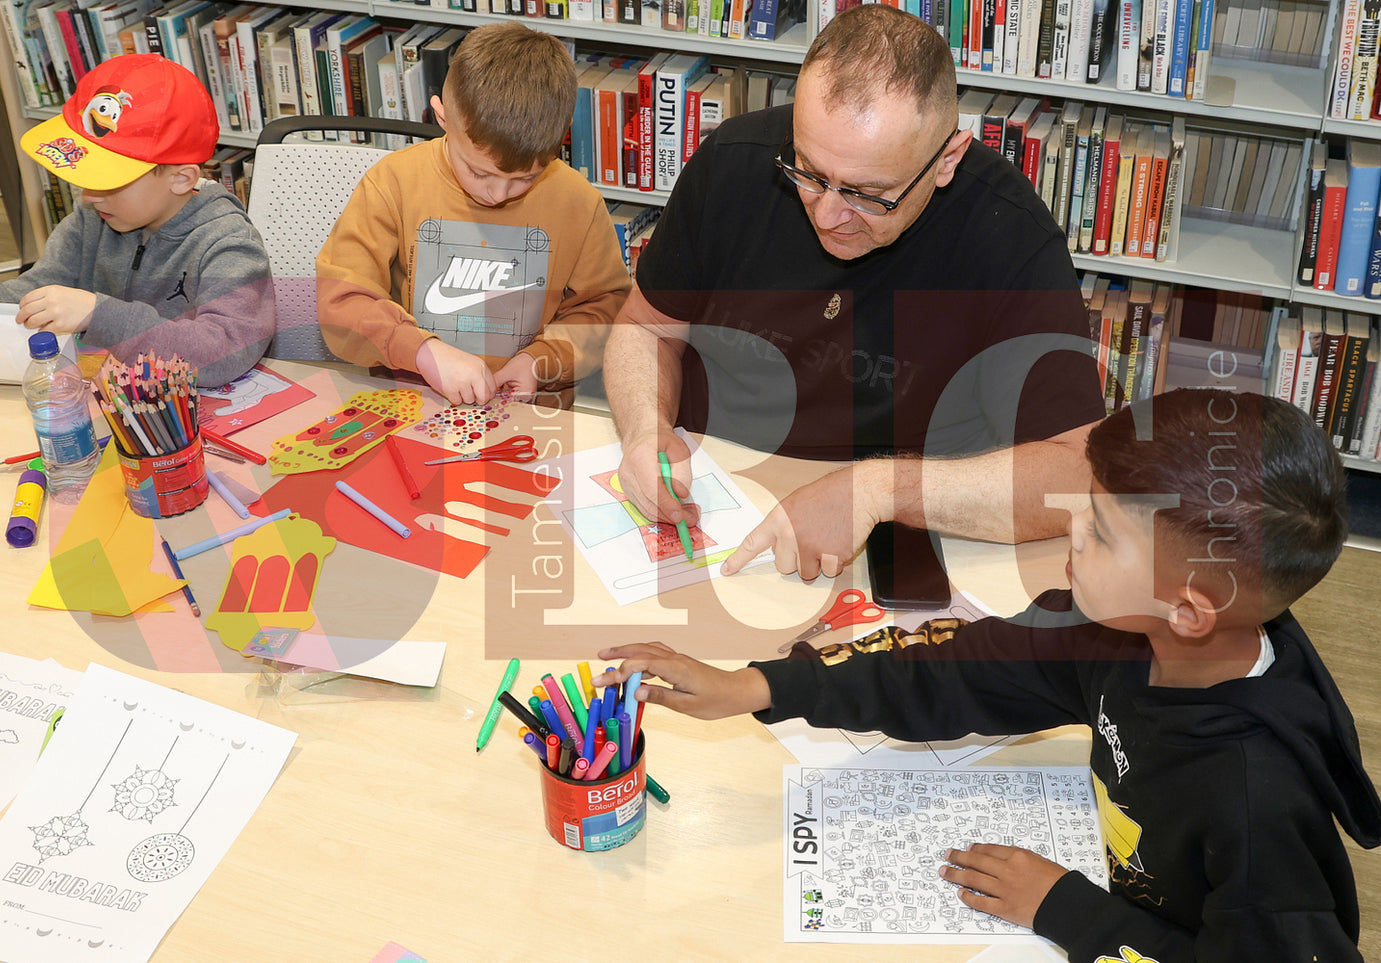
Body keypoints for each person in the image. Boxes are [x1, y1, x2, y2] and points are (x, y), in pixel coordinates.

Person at [594, 388, 1381, 960]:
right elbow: (961, 671)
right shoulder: (1113, 629)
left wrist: (1064, 908)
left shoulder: (1256, 803)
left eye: (1099, 531)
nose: (1067, 528)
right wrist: (762, 687)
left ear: (1189, 608)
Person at [604, 5, 1105, 580]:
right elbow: (645, 327)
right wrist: (644, 429)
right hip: (712, 504)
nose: (830, 213)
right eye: (809, 172)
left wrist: (877, 489)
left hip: (898, 540)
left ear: (946, 160)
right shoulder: (733, 162)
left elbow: (1079, 474)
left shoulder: (1008, 234)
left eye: (870, 194)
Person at [316, 22, 631, 409]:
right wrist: (422, 352)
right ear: (442, 116)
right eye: (479, 172)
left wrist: (541, 361)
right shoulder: (393, 182)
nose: (496, 194)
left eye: (525, 178)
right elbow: (344, 300)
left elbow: (603, 308)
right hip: (409, 403)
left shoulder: (577, 202)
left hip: (529, 416)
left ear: (563, 136)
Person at [0, 54, 274, 389]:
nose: (88, 195)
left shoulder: (227, 242)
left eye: (107, 180)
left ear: (182, 179)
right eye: (85, 176)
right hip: (108, 401)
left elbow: (227, 352)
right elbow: (30, 300)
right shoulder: (90, 221)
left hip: (189, 417)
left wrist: (100, 315)